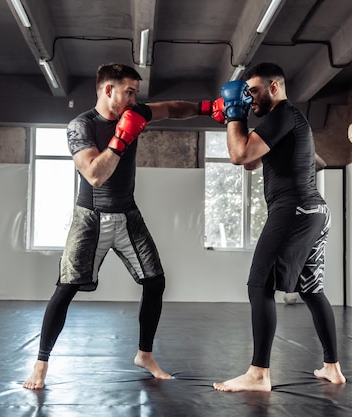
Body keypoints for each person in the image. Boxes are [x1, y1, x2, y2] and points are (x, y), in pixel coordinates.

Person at [24, 63, 222, 390]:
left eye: (136, 93)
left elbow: (172, 108)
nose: (134, 99)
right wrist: (120, 139)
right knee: (66, 288)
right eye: (129, 92)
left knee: (155, 281)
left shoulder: (136, 111)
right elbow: (94, 174)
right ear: (108, 90)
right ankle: (41, 364)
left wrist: (206, 108)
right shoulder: (80, 126)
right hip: (89, 217)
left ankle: (145, 354)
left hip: (127, 214)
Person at [212, 63, 346, 392]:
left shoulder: (283, 114)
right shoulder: (284, 121)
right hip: (315, 210)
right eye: (245, 94)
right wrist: (237, 121)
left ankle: (259, 374)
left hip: (294, 210)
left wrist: (234, 116)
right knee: (311, 290)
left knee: (259, 285)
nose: (249, 98)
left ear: (274, 87)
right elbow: (251, 161)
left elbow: (238, 156)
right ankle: (333, 368)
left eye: (253, 91)